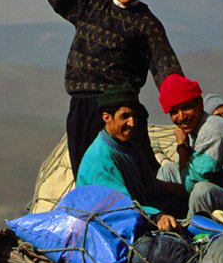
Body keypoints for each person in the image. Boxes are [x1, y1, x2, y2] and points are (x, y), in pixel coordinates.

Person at [45, 0, 182, 177]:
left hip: (120, 107)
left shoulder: (147, 24)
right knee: (86, 174)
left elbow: (166, 68)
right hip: (81, 105)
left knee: (131, 174)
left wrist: (181, 109)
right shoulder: (90, 3)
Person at [156, 73, 223, 228]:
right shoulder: (194, 130)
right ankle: (164, 221)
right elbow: (184, 170)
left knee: (201, 190)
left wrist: (181, 146)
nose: (181, 117)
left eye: (186, 108)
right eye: (174, 112)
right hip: (221, 195)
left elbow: (190, 185)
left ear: (199, 104)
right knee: (167, 171)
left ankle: (189, 233)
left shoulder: (212, 129)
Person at [75, 83, 183, 230]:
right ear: (107, 118)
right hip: (108, 230)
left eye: (134, 116)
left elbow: (151, 189)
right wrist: (157, 216)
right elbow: (118, 206)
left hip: (135, 218)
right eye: (125, 116)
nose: (132, 123)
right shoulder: (100, 158)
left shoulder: (128, 147)